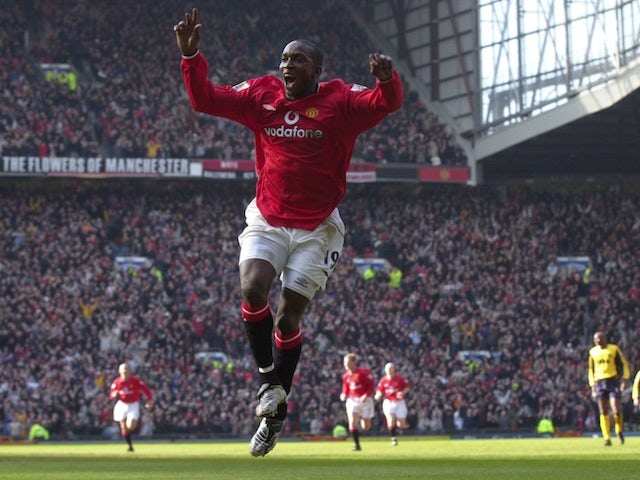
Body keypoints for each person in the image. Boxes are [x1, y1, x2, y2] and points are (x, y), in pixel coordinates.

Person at [174, 8, 403, 457]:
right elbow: (205, 99)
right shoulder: (262, 95)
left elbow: (386, 104)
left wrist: (386, 81)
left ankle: (276, 413)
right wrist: (191, 56)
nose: (286, 66)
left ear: (317, 70)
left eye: (297, 60)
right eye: (283, 59)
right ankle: (267, 384)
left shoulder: (340, 102)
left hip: (318, 229)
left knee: (287, 318)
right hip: (269, 218)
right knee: (252, 286)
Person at [587, 331, 630, 446]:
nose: (597, 341)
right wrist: (592, 386)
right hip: (599, 383)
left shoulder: (613, 349)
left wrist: (624, 379)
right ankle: (607, 438)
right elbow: (591, 370)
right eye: (595, 339)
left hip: (612, 381)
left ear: (604, 338)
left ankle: (619, 431)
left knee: (616, 409)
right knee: (603, 411)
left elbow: (624, 364)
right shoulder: (593, 352)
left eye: (599, 338)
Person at [109, 362, 153, 452]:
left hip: (133, 404)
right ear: (119, 371)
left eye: (126, 368)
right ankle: (130, 446)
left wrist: (150, 399)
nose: (125, 370)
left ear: (130, 370)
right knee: (123, 427)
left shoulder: (135, 380)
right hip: (122, 404)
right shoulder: (117, 382)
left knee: (131, 425)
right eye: (123, 368)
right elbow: (111, 394)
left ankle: (128, 433)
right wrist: (114, 394)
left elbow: (145, 389)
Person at [340, 353, 376, 451]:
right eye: (344, 363)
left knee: (366, 426)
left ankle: (368, 418)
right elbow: (345, 388)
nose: (346, 365)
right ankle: (357, 445)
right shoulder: (346, 376)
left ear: (354, 362)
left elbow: (371, 385)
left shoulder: (363, 373)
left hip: (365, 401)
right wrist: (344, 394)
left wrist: (366, 395)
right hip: (352, 400)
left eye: (347, 363)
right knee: (352, 422)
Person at [374, 362, 410, 445]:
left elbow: (407, 387)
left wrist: (402, 392)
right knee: (390, 421)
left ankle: (403, 424)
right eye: (388, 369)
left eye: (391, 368)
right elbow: (380, 390)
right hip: (389, 402)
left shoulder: (400, 379)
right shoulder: (383, 380)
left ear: (394, 369)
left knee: (401, 425)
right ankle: (393, 438)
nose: (389, 370)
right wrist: (378, 395)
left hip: (399, 402)